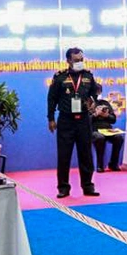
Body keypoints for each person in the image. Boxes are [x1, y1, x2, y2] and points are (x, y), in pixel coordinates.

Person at [47, 48, 101, 199]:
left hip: (84, 120)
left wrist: (93, 103)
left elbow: (95, 93)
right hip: (66, 120)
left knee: (86, 154)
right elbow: (51, 98)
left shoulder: (88, 76)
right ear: (69, 61)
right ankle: (63, 188)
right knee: (64, 155)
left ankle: (88, 186)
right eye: (76, 60)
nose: (80, 63)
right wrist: (50, 118)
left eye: (81, 59)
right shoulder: (59, 77)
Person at [91, 86, 124, 173]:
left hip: (107, 129)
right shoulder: (86, 103)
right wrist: (95, 114)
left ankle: (113, 163)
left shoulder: (105, 103)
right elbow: (85, 121)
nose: (97, 93)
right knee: (99, 138)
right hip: (93, 130)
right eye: (95, 91)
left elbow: (113, 119)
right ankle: (100, 165)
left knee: (119, 138)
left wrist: (106, 116)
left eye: (99, 91)